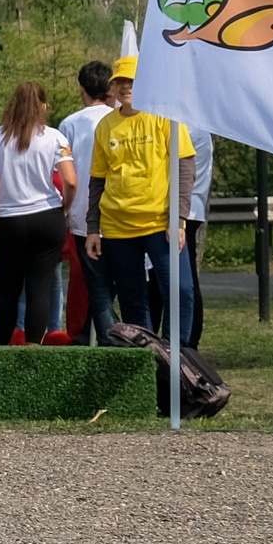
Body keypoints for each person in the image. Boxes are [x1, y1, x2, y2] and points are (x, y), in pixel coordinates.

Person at [83, 56, 198, 338]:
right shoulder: (106, 126)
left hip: (161, 224)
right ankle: (146, 361)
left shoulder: (165, 118)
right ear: (112, 88)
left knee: (180, 291)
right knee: (133, 301)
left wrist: (179, 218)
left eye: (132, 81)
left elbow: (185, 167)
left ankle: (178, 359)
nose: (126, 87)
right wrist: (92, 229)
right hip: (118, 228)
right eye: (120, 81)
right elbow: (97, 180)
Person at [0, 82, 77, 346]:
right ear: (42, 106)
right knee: (39, 286)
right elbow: (71, 180)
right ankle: (33, 347)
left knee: (8, 289)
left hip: (10, 219)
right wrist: (65, 206)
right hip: (47, 216)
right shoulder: (56, 137)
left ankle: (1, 348)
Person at [59, 60, 115, 343]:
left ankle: (90, 334)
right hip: (118, 212)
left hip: (82, 213)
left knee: (90, 284)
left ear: (82, 89)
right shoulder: (119, 118)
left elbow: (62, 169)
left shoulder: (69, 124)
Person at [181, 131, 214, 347]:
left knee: (186, 280)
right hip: (187, 210)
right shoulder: (196, 128)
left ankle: (189, 343)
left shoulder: (191, 130)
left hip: (185, 212)